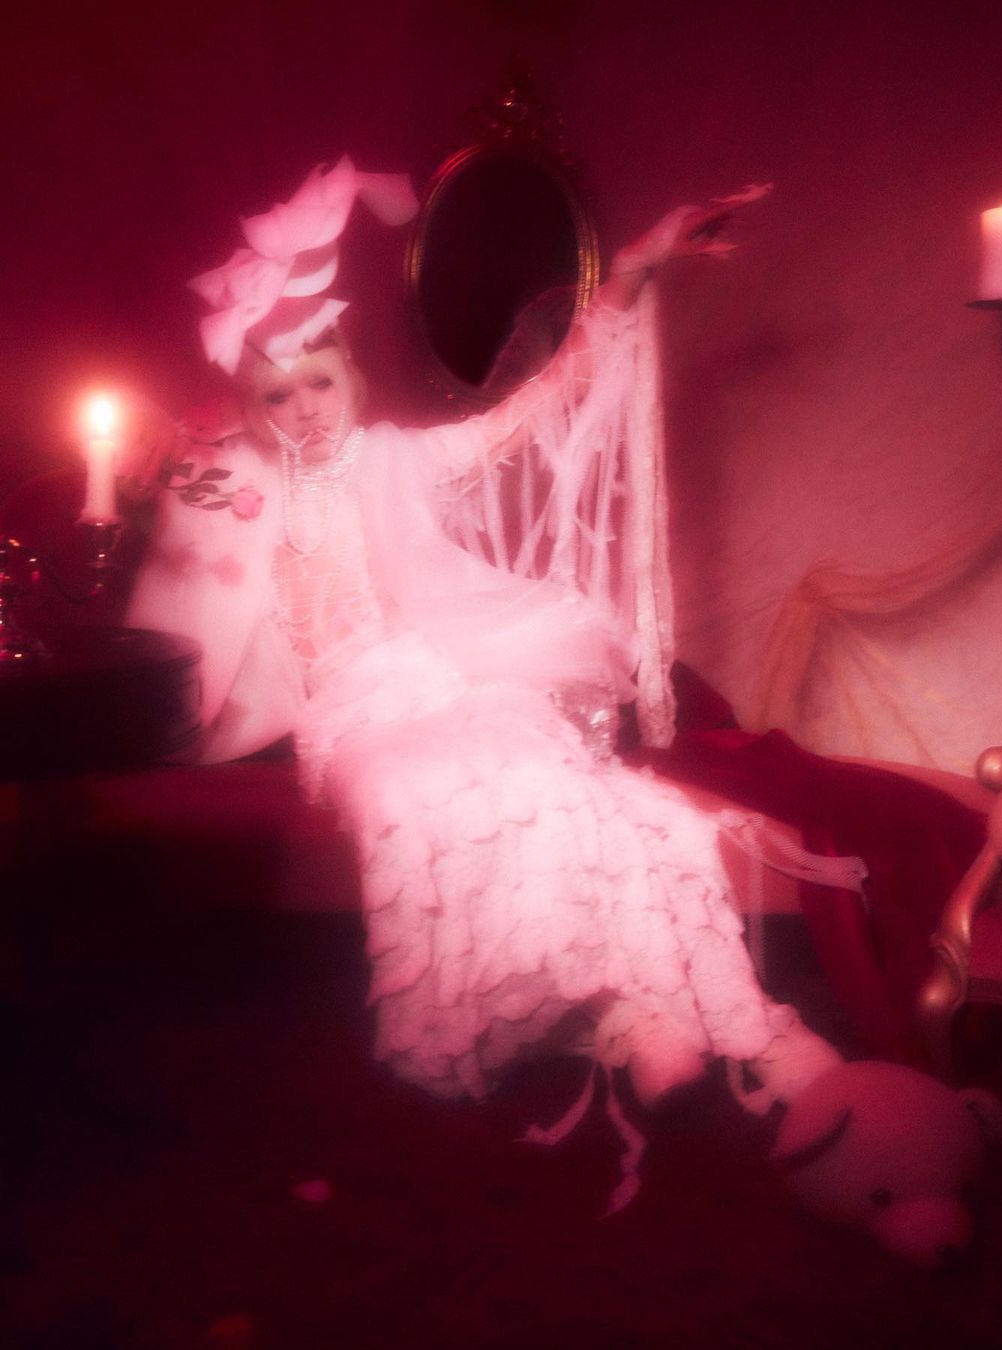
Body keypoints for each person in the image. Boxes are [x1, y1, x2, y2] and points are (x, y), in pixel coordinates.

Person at [127, 158, 864, 1203]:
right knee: (412, 794)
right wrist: (155, 460)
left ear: (351, 378)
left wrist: (637, 270)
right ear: (252, 406)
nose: (304, 411)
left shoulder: (394, 460)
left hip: (443, 675)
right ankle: (605, 1017)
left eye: (319, 383)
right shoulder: (233, 480)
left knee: (549, 776)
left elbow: (536, 406)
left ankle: (689, 1018)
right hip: (350, 716)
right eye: (277, 395)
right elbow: (170, 525)